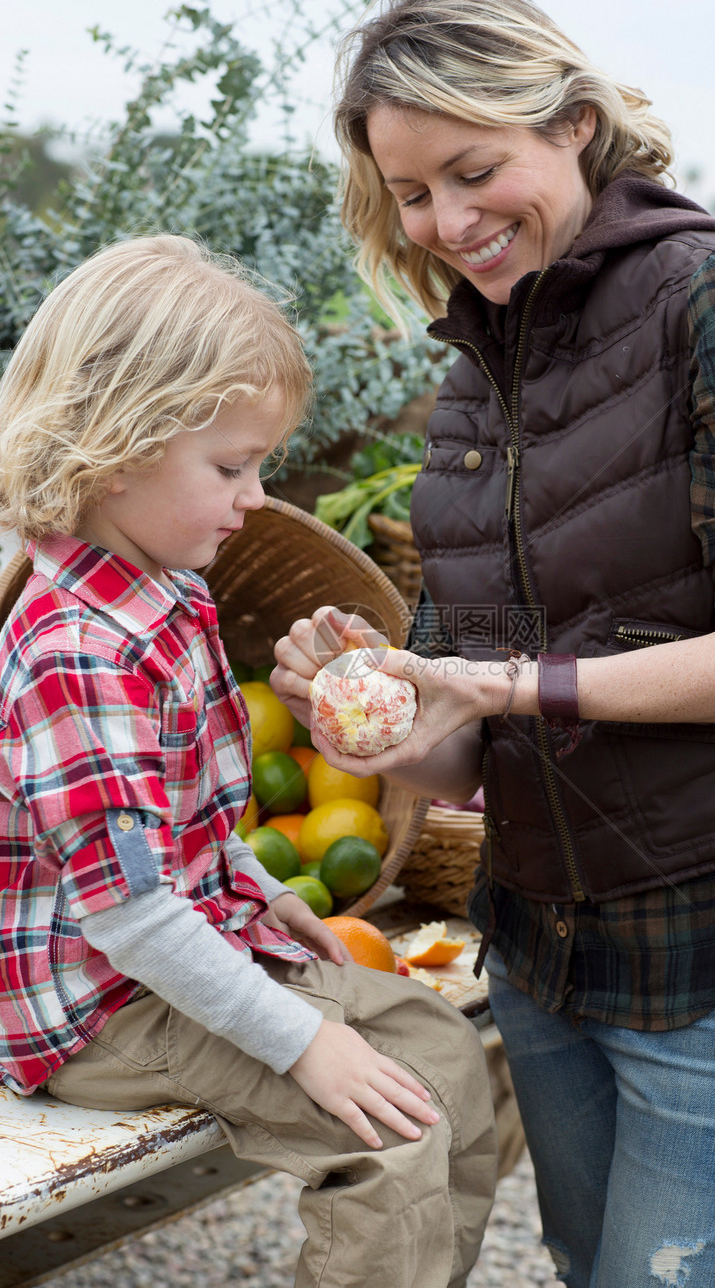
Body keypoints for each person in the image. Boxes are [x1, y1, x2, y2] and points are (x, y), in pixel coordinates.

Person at [271, 0, 715, 1284]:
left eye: (474, 170)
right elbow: (473, 753)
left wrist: (501, 682)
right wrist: (376, 723)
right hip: (543, 946)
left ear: (575, 125)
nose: (446, 220)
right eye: (412, 192)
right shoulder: (475, 373)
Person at [0, 234, 496, 1288]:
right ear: (117, 450)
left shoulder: (164, 589)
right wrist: (303, 1044)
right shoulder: (73, 651)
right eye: (231, 467)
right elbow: (129, 917)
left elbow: (178, 827)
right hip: (98, 1003)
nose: (259, 497)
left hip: (174, 950)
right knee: (390, 1135)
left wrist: (260, 889)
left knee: (441, 1051)